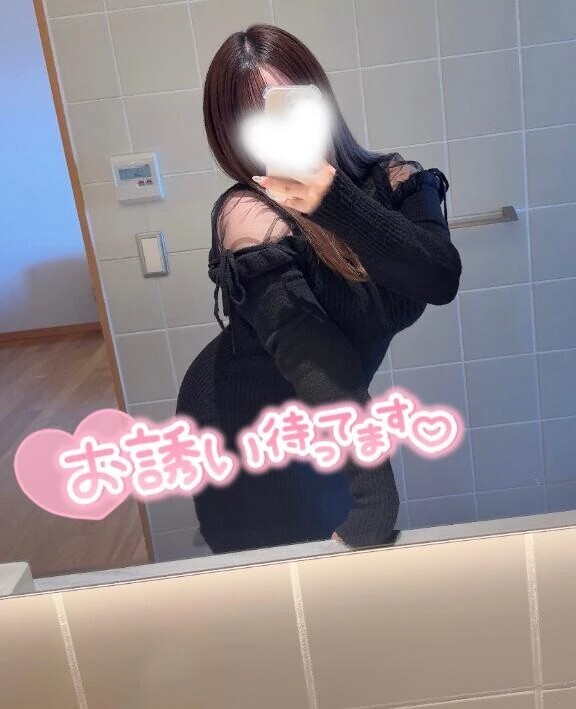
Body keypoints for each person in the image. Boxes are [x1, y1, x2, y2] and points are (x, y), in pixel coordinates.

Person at [176, 23, 462, 554]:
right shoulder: (247, 216)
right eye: (252, 119)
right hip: (247, 419)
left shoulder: (395, 181)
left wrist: (331, 200)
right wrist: (376, 499)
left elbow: (438, 276)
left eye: (287, 103)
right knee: (285, 576)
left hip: (331, 416)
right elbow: (312, 354)